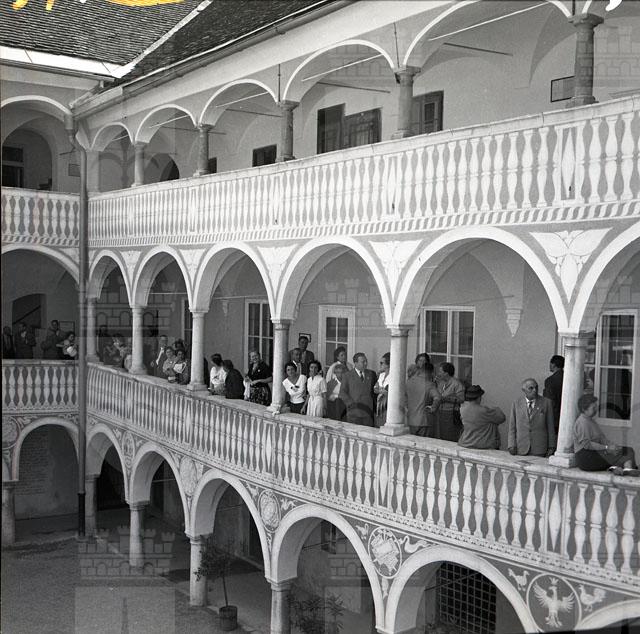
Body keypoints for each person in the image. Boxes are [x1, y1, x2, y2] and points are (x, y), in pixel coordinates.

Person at [574, 394, 638, 475]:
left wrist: (612, 446)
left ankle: (623, 469)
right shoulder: (582, 423)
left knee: (627, 450)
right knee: (626, 452)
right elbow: (587, 444)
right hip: (586, 458)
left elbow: (601, 438)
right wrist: (607, 448)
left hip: (596, 452)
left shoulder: (591, 421)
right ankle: (625, 468)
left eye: (596, 407)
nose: (596, 409)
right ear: (584, 409)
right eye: (593, 408)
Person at [508, 379, 556, 457]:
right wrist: (511, 445)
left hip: (539, 448)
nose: (535, 390)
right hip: (521, 448)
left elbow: (550, 426)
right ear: (524, 390)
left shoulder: (546, 403)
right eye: (531, 388)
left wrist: (551, 446)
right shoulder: (516, 403)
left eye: (536, 387)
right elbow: (512, 427)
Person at [458, 385, 506, 449]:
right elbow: (502, 417)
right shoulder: (484, 411)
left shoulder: (462, 408)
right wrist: (495, 409)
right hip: (483, 445)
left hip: (466, 443)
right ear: (479, 397)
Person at [339, 352, 377, 427]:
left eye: (366, 361)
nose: (366, 363)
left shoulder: (371, 374)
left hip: (368, 412)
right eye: (363, 362)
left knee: (367, 433)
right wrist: (351, 404)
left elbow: (375, 391)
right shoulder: (347, 376)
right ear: (355, 363)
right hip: (354, 413)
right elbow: (342, 393)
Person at [405, 362, 441, 437]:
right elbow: (437, 397)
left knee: (412, 442)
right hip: (425, 420)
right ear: (431, 372)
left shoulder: (408, 382)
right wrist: (433, 408)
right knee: (424, 442)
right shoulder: (429, 384)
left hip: (411, 420)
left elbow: (404, 398)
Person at [435, 362, 465, 441]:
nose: (438, 373)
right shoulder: (441, 383)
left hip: (451, 413)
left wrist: (447, 399)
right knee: (441, 435)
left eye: (440, 371)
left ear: (446, 373)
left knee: (450, 436)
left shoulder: (457, 384)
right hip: (440, 412)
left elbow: (461, 399)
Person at [543, 354, 564, 435]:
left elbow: (549, 402)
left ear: (553, 364)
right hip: (567, 416)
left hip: (554, 418)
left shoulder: (550, 381)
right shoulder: (568, 378)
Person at [374, 352, 390, 427]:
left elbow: (389, 392)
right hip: (379, 405)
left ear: (388, 364)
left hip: (388, 405)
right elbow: (375, 389)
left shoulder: (393, 376)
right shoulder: (381, 375)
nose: (380, 365)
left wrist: (381, 390)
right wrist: (383, 390)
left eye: (381, 363)